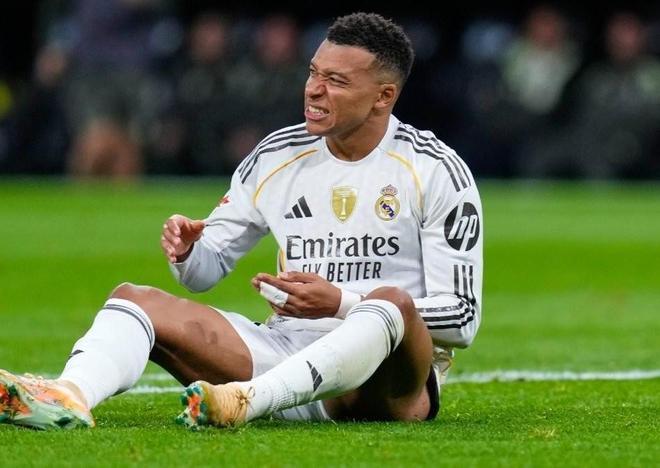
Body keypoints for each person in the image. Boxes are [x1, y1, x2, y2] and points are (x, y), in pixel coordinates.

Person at [0, 12, 483, 430]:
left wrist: (341, 303)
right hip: (286, 350)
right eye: (313, 72)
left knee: (390, 303)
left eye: (336, 81)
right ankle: (69, 395)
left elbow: (462, 316)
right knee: (133, 299)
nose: (313, 89)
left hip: (382, 383)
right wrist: (190, 252)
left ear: (383, 96)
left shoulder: (434, 169)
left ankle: (247, 401)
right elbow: (205, 273)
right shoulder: (276, 156)